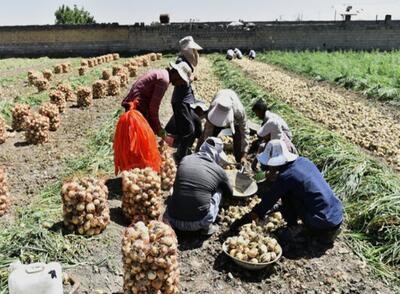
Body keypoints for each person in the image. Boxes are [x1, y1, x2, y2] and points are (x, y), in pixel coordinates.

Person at [233, 140, 344, 244]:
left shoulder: (286, 177)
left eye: (269, 164)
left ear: (275, 163)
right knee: (293, 191)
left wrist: (245, 219)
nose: (267, 167)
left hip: (322, 221)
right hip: (336, 214)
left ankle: (296, 228)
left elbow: (267, 202)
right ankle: (326, 231)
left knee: (286, 194)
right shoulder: (303, 161)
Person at [164, 137, 233, 235]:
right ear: (216, 154)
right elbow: (230, 193)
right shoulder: (219, 170)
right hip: (198, 223)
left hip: (173, 218)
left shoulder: (185, 159)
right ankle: (207, 228)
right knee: (219, 189)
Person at [121, 62, 191, 140]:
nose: (180, 84)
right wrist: (158, 128)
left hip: (136, 103)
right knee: (140, 138)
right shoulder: (164, 80)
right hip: (137, 106)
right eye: (182, 81)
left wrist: (157, 125)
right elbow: (153, 107)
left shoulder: (162, 73)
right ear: (177, 74)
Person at [171, 36, 204, 162]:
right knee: (189, 130)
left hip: (186, 100)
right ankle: (181, 156)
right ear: (186, 49)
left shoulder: (186, 59)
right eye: (192, 49)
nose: (194, 51)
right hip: (181, 100)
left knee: (193, 125)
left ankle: (184, 150)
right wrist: (190, 79)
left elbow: (194, 64)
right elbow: (177, 79)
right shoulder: (180, 60)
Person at [197, 89, 249, 165]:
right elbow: (208, 131)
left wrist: (244, 153)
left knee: (238, 138)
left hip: (235, 120)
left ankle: (239, 161)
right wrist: (205, 148)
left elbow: (244, 131)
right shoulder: (213, 108)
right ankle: (199, 155)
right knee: (208, 138)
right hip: (219, 97)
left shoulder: (239, 111)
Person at [251, 99, 296, 171]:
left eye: (257, 113)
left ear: (261, 111)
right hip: (279, 139)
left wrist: (255, 162)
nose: (256, 115)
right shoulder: (267, 119)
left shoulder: (271, 120)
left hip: (285, 138)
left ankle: (268, 169)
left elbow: (264, 142)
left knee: (266, 152)